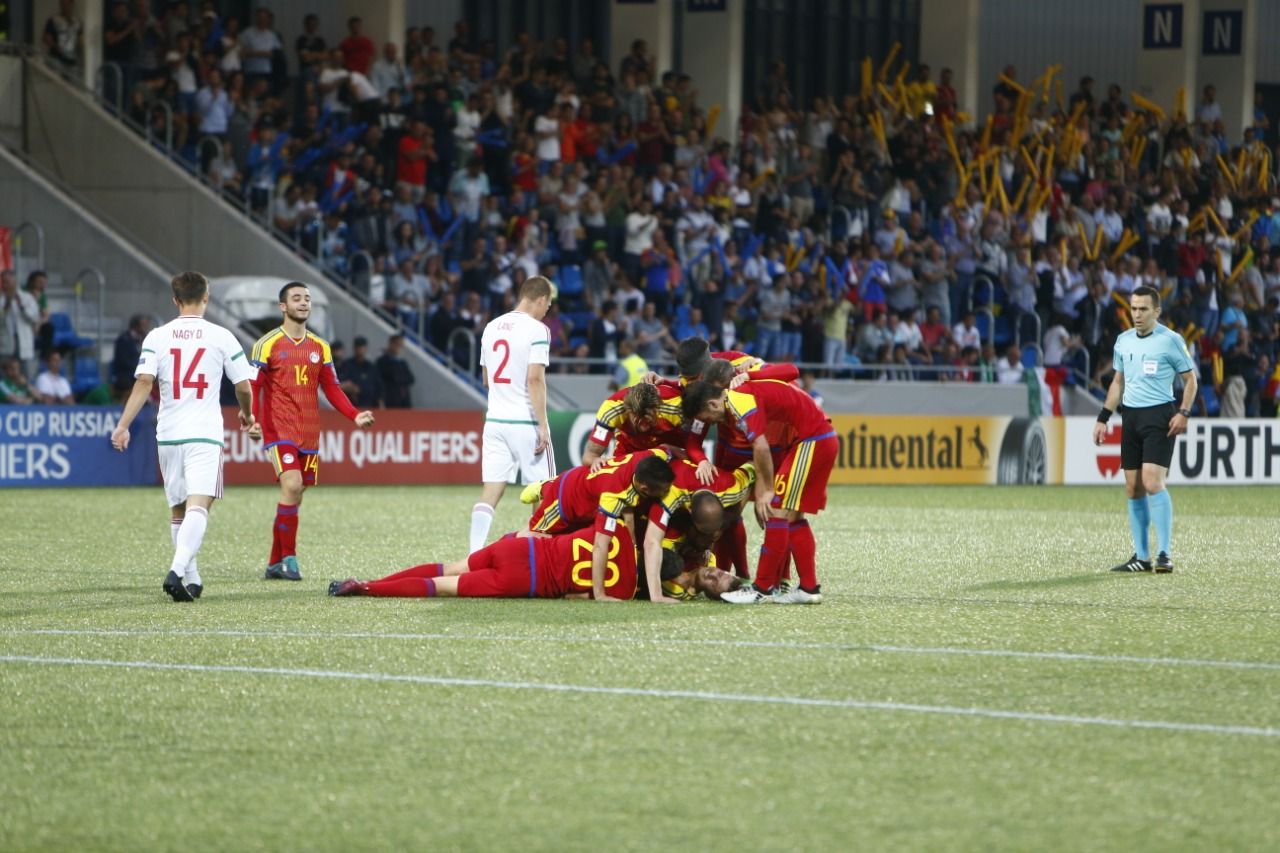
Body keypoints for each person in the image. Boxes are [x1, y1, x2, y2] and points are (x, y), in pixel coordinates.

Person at [109, 271, 255, 602]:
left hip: (169, 433)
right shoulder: (221, 336)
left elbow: (144, 383)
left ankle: (192, 576)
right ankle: (176, 571)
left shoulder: (157, 337)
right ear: (207, 297)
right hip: (204, 433)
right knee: (200, 504)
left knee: (178, 509)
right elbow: (243, 385)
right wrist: (246, 414)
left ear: (175, 301)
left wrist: (122, 425)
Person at [248, 282, 376, 581]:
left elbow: (331, 387)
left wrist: (354, 415)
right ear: (283, 307)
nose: (304, 303)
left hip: (309, 431)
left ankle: (274, 562)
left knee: (296, 494)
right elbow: (253, 385)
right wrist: (251, 419)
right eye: (296, 298)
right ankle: (290, 560)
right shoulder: (267, 343)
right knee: (291, 486)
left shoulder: (320, 347)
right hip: (278, 428)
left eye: (307, 299)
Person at [682, 377, 836, 604]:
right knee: (792, 516)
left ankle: (761, 589)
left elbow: (761, 446)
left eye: (708, 418)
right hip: (814, 437)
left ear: (713, 404)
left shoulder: (738, 402)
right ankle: (808, 588)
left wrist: (766, 491)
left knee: (776, 510)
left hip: (812, 439)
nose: (713, 423)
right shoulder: (740, 396)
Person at [1093, 285, 1197, 573]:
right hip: (1131, 418)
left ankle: (1164, 554)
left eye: (1143, 309)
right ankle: (1141, 557)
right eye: (1133, 308)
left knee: (1152, 482)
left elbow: (1191, 380)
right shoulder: (1123, 341)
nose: (1136, 314)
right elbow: (1118, 382)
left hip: (1159, 417)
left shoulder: (1171, 340)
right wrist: (1103, 417)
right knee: (1133, 487)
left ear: (1157, 311)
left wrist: (1184, 412)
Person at [469, 275, 556, 554]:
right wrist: (543, 424)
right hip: (525, 421)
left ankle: (474, 553)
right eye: (549, 305)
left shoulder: (491, 327)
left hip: (494, 420)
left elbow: (486, 379)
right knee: (543, 489)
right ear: (541, 299)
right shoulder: (538, 330)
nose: (548, 311)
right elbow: (535, 379)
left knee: (490, 491)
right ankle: (538, 554)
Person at [329, 525, 643, 601]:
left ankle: (374, 578)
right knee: (440, 587)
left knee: (446, 568)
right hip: (525, 582)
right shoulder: (626, 590)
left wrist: (518, 535)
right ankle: (368, 588)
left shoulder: (617, 531)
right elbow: (573, 595)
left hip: (520, 549)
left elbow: (555, 530)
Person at [521, 449, 675, 601]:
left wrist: (698, 461)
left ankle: (545, 486)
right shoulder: (612, 497)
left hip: (585, 479)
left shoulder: (647, 457)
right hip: (564, 499)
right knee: (534, 535)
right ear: (645, 489)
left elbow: (668, 448)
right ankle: (505, 543)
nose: (668, 493)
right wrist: (600, 594)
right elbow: (600, 546)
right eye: (664, 490)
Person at [580, 380, 685, 468]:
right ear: (628, 411)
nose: (644, 426)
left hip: (670, 445)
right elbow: (589, 456)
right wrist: (596, 461)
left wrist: (672, 450)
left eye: (649, 419)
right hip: (630, 446)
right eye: (639, 420)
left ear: (657, 408)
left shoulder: (675, 406)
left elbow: (695, 442)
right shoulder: (611, 410)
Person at [1, 269, 40, 379]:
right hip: (6, 343)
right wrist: (7, 304)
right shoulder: (1, 300)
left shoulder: (27, 298)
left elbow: (34, 317)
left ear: (14, 282)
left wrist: (21, 305)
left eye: (8, 282)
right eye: (4, 282)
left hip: (23, 342)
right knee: (4, 375)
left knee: (24, 374)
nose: (5, 285)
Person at [337, 335, 382, 407]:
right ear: (354, 348)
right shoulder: (346, 365)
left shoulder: (371, 367)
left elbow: (377, 387)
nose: (360, 349)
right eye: (358, 347)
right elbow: (338, 384)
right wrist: (348, 386)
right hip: (350, 405)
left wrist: (360, 389)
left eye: (362, 347)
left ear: (366, 349)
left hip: (368, 405)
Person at [377, 333, 415, 407]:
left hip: (404, 400)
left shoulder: (402, 362)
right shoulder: (382, 361)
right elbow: (389, 376)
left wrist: (400, 378)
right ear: (390, 344)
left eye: (401, 345)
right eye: (397, 344)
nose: (399, 347)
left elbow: (411, 378)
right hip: (390, 399)